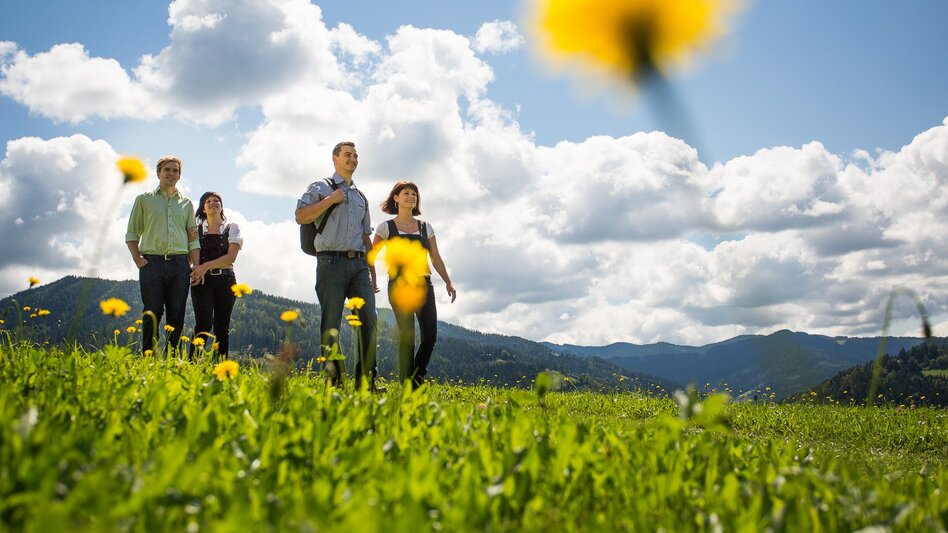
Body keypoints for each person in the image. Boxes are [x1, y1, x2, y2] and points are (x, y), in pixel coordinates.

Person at [295, 141, 378, 386]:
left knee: (369, 321)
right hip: (330, 262)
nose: (352, 159)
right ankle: (334, 381)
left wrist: (373, 274)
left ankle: (366, 383)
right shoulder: (320, 186)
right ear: (335, 159)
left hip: (359, 265)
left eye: (355, 155)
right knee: (331, 322)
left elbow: (366, 237)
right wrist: (331, 199)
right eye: (347, 155)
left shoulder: (361, 197)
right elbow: (301, 216)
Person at [372, 180, 456, 388]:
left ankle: (415, 377)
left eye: (414, 194)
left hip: (424, 284)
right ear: (396, 198)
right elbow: (370, 257)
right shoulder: (386, 227)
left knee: (430, 337)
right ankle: (407, 385)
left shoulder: (425, 227)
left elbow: (435, 257)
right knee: (407, 337)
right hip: (399, 285)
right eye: (406, 193)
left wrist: (448, 282)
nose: (411, 197)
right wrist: (372, 280)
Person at [125, 156, 200, 354]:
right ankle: (148, 357)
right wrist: (138, 260)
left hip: (180, 265)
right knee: (152, 312)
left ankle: (171, 358)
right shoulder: (144, 200)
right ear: (158, 173)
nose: (171, 173)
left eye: (175, 170)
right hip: (152, 264)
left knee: (177, 315)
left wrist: (196, 266)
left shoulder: (186, 204)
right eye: (167, 169)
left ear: (179, 175)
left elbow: (193, 238)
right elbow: (132, 233)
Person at [189, 192, 243, 359]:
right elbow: (189, 254)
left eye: (216, 200)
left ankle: (221, 369)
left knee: (222, 327)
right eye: (208, 201)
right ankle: (192, 364)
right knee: (203, 323)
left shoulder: (231, 228)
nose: (212, 203)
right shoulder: (195, 231)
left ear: (221, 206)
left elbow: (231, 257)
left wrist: (204, 266)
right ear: (203, 209)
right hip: (201, 280)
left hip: (226, 279)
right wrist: (195, 270)